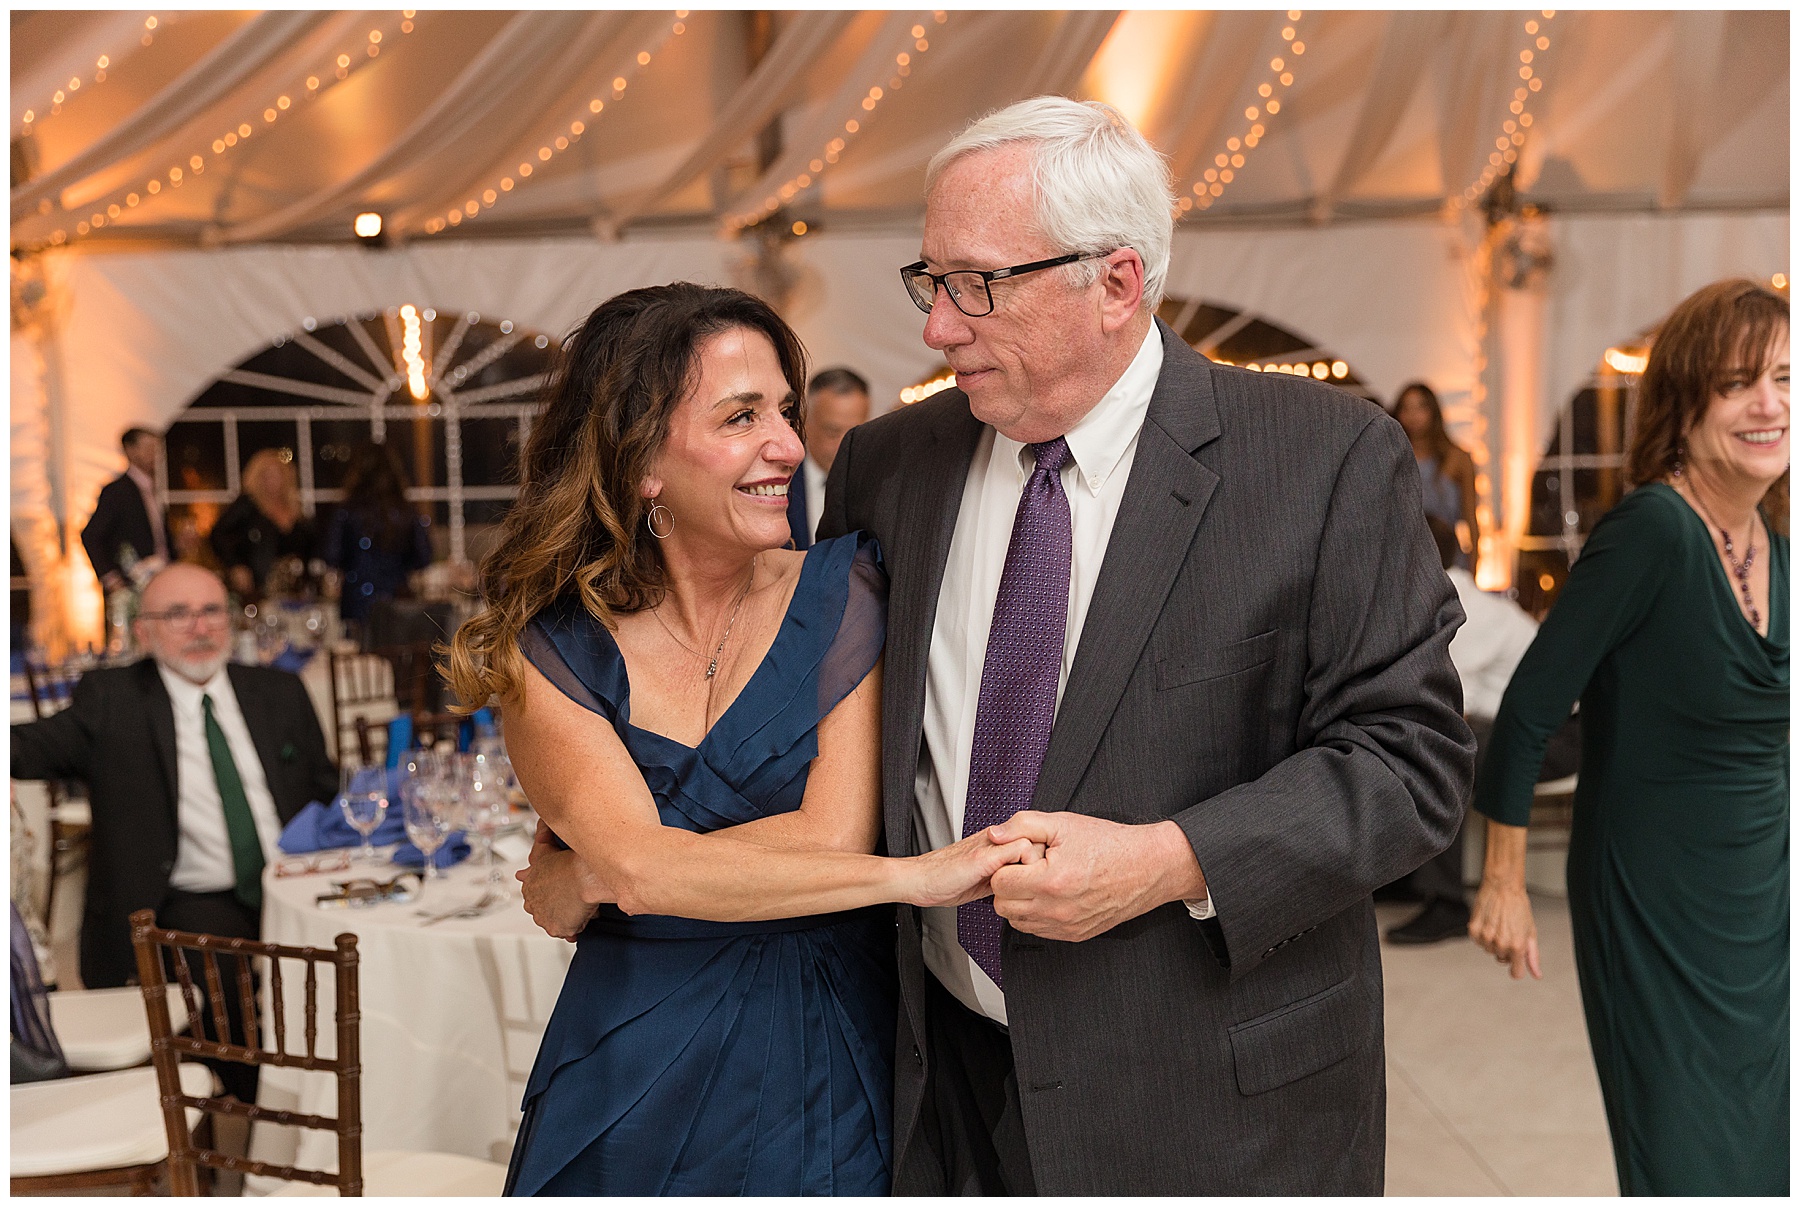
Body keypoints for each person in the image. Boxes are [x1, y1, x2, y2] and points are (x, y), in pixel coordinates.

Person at [446, 284, 1036, 1196]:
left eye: (787, 413)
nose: (790, 448)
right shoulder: (549, 650)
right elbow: (645, 868)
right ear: (642, 459)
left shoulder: (845, 592)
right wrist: (912, 877)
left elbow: (826, 837)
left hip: (831, 1056)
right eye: (742, 416)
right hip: (633, 1067)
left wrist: (596, 873)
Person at [1469, 278, 1788, 1195]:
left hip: (1763, 897)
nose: (1768, 403)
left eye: (1783, 376)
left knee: (1769, 1147)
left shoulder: (1777, 538)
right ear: (1685, 409)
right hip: (1653, 900)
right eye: (1737, 384)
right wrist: (1503, 882)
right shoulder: (1652, 530)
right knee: (1687, 1158)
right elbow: (1529, 709)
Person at [10, 562, 338, 1099]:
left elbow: (326, 794)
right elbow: (31, 746)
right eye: (178, 615)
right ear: (144, 631)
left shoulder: (278, 691)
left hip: (297, 879)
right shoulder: (113, 698)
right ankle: (260, 1112)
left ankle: (344, 1093)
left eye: (211, 611)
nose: (199, 627)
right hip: (189, 893)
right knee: (217, 976)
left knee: (358, 966)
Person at [1385, 517, 1542, 944]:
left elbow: (1450, 710)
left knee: (1438, 749)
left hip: (1555, 737)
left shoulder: (1454, 609)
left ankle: (1447, 902)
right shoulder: (1442, 599)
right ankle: (1406, 876)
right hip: (1518, 729)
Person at [320, 441, 433, 626]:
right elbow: (424, 556)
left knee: (358, 652)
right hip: (397, 601)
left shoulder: (347, 510)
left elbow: (331, 555)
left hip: (356, 602)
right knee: (396, 650)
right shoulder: (405, 509)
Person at [210, 448, 318, 600]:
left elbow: (312, 547)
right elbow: (218, 535)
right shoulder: (247, 506)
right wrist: (236, 565)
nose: (272, 480)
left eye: (277, 474)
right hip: (260, 587)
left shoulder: (296, 509)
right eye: (267, 475)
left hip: (297, 590)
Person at [1392, 382, 1480, 569]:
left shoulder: (1457, 458)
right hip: (1403, 560)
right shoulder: (1392, 457)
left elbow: (1471, 519)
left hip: (1448, 559)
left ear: (1433, 411)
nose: (1413, 415)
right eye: (1406, 408)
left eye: (1420, 407)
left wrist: (1473, 572)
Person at [786, 366, 871, 550]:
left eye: (855, 433)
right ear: (805, 422)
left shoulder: (876, 486)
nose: (844, 445)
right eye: (832, 432)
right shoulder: (780, 481)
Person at [80, 427, 174, 592]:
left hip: (160, 580)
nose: (154, 454)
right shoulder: (117, 491)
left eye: (156, 448)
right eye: (148, 448)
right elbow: (91, 535)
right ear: (130, 450)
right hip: (132, 583)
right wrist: (112, 579)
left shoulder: (153, 490)